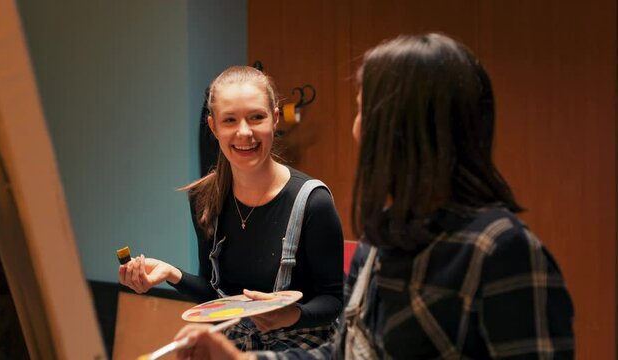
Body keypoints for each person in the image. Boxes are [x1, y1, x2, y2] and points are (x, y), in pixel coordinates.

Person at [172, 33, 575, 359]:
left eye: (364, 112)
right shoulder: (381, 242)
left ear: (410, 128)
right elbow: (343, 353)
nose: (356, 130)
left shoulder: (501, 252)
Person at [118, 65, 344, 351]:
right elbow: (216, 299)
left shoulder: (314, 202)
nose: (244, 132)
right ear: (213, 127)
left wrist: (292, 315)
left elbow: (333, 300)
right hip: (234, 351)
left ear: (275, 118)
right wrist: (171, 274)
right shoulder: (204, 198)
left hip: (302, 353)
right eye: (230, 120)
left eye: (256, 117)